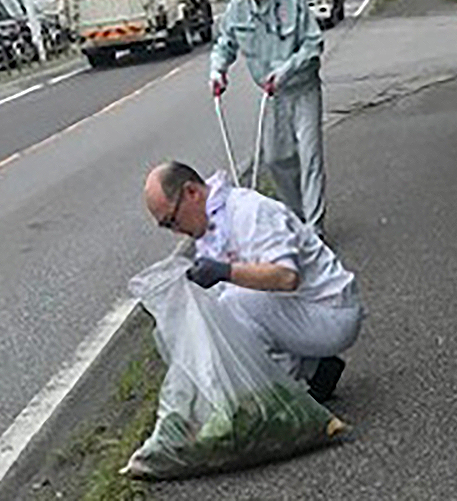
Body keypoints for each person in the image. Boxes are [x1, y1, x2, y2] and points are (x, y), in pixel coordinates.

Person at [143, 161, 364, 402]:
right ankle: (314, 370)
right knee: (216, 316)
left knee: (233, 305)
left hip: (330, 311)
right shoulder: (211, 231)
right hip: (304, 312)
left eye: (172, 220)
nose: (176, 231)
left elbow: (286, 277)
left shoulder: (249, 211)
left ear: (192, 192)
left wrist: (226, 271)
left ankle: (286, 399)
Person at [210, 0, 327, 236]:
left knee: (310, 157)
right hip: (271, 95)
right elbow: (225, 44)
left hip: (303, 89)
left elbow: (314, 44)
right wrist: (218, 70)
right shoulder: (237, 8)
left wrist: (287, 69)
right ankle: (298, 220)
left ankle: (315, 229)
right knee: (275, 159)